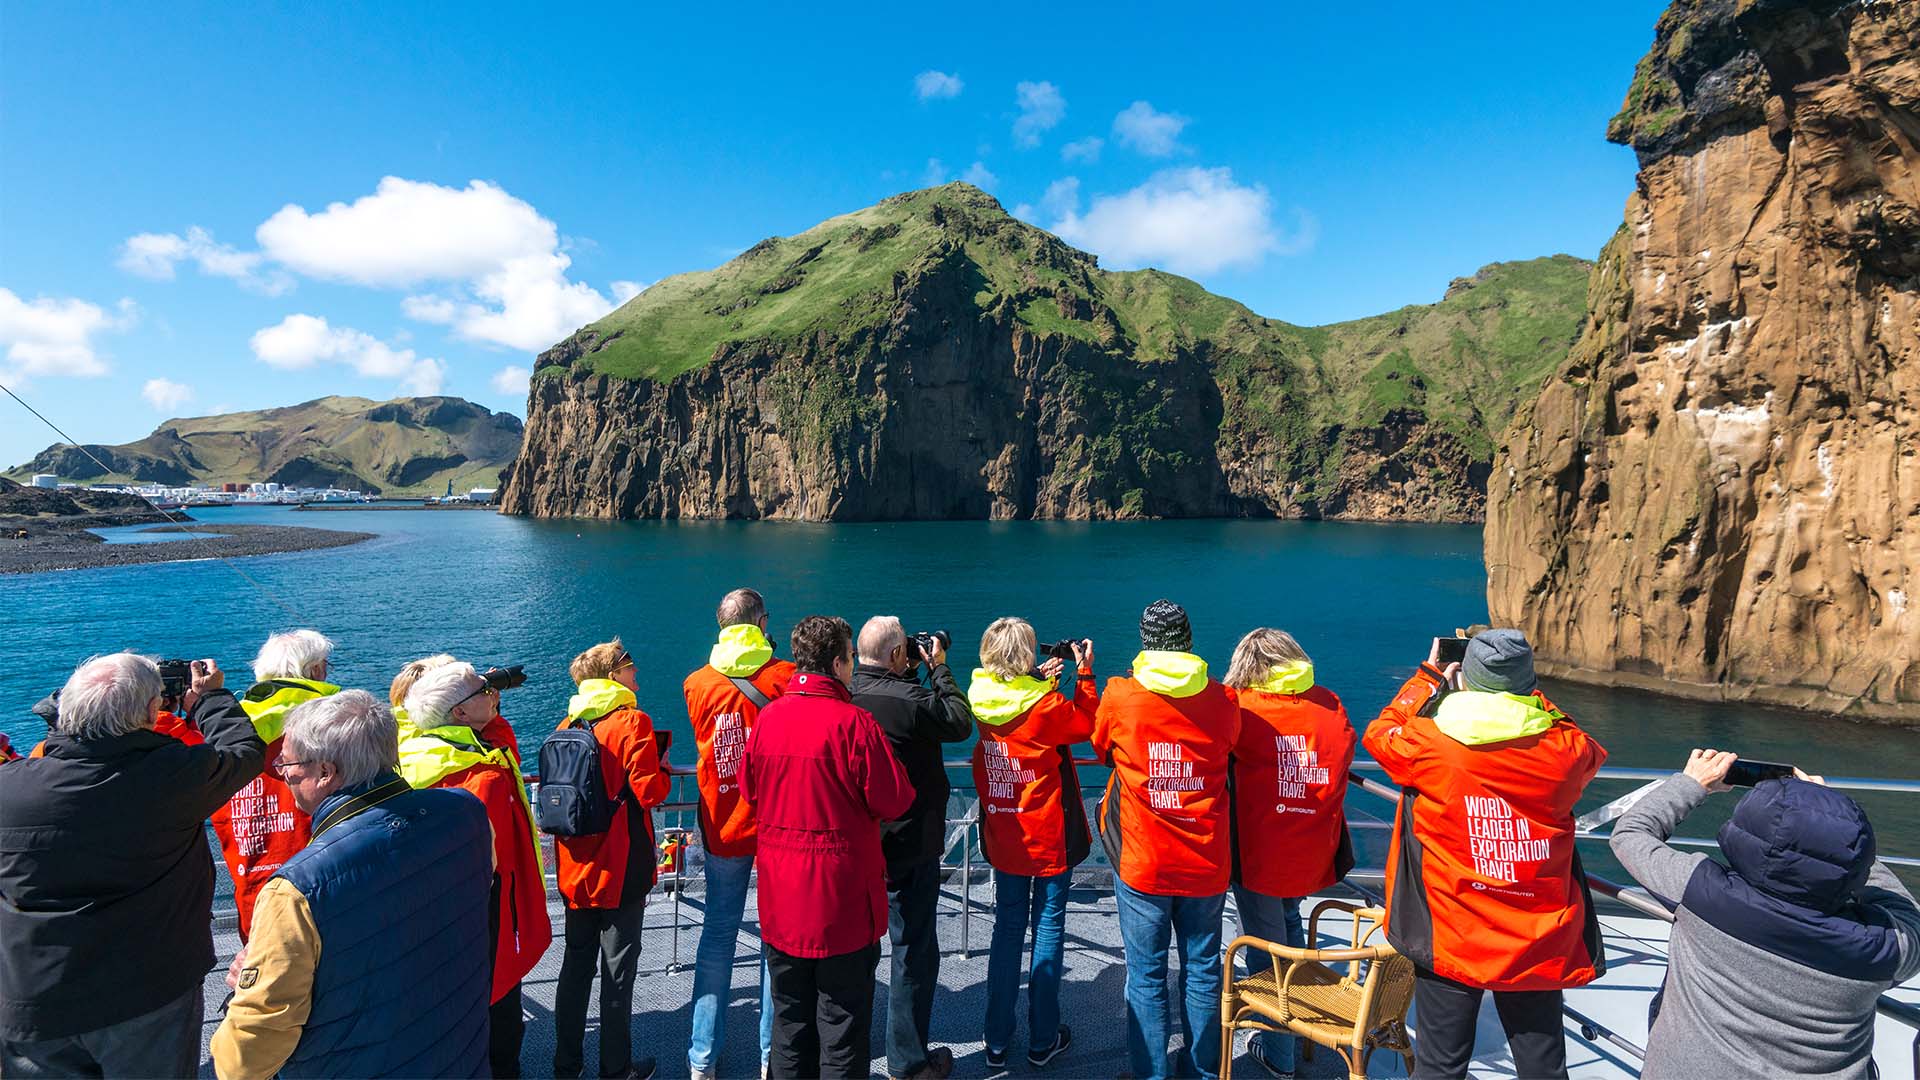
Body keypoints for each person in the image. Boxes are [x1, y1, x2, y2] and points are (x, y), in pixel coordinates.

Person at [0, 653, 265, 1077]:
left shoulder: (10, 787)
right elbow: (244, 751)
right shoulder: (172, 778)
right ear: (149, 712)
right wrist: (208, 699)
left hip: (32, 995)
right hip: (147, 991)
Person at [211, 690, 494, 1078]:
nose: (282, 771)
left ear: (326, 772)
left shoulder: (296, 889)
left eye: (288, 762)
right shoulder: (467, 813)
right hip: (458, 1055)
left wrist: (243, 991)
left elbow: (250, 1055)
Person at [1363, 629, 1605, 1080]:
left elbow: (1380, 733)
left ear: (1467, 678)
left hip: (1453, 929)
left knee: (1441, 1064)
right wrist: (1531, 698)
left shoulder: (1430, 743)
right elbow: (1582, 740)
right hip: (1536, 936)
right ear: (1528, 687)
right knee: (1542, 1066)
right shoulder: (1564, 752)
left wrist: (1430, 675)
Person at [1611, 749, 1920, 1079]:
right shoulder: (1882, 949)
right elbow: (1906, 913)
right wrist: (1844, 842)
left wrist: (1693, 784)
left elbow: (1631, 834)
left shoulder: (1702, 892)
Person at [742, 615, 915, 1080]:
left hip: (781, 900)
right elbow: (896, 798)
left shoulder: (768, 719)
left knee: (789, 1023)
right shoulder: (854, 725)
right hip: (841, 904)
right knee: (841, 1031)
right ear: (838, 662)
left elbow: (749, 790)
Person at [1093, 600, 1241, 1080]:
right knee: (1202, 972)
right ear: (1188, 641)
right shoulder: (1223, 701)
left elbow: (1100, 748)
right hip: (1205, 862)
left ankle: (1150, 1074)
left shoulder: (1120, 696)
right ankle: (1201, 1072)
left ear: (1146, 643)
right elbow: (1233, 744)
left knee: (1147, 975)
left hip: (1144, 861)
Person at [401, 662, 553, 1078]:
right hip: (485, 907)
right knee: (498, 1005)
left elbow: (496, 735)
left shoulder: (417, 752)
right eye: (481, 693)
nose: (491, 694)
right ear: (460, 715)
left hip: (435, 911)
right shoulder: (483, 776)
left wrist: (482, 689)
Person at [1222, 628, 1356, 1079]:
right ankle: (1300, 1029)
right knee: (1292, 927)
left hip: (1260, 855)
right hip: (1311, 851)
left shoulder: (1243, 708)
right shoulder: (1330, 704)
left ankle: (1278, 1056)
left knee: (1264, 956)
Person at [967, 619, 1096, 1070]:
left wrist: (1036, 680)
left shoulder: (980, 699)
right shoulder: (1046, 706)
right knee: (1047, 929)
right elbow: (1086, 725)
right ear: (1023, 658)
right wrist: (1084, 675)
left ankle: (996, 1039)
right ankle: (1043, 1039)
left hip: (1004, 833)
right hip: (1046, 836)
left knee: (1006, 933)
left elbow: (1011, 703)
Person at [849, 615, 974, 1080]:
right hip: (911, 844)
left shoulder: (845, 696)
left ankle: (847, 1057)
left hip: (858, 845)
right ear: (899, 656)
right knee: (913, 951)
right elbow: (960, 721)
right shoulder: (915, 700)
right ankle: (906, 1061)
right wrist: (938, 667)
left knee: (857, 953)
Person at [683, 587, 793, 1080]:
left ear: (720, 625)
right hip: (775, 825)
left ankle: (701, 1059)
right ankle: (772, 1056)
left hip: (721, 822)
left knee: (718, 936)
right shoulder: (784, 677)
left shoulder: (697, 684)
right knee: (776, 942)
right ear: (762, 623)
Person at [552, 640, 670, 1080]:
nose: (636, 673)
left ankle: (566, 1065)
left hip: (574, 865)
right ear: (613, 675)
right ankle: (616, 1069)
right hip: (620, 865)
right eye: (630, 666)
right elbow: (652, 792)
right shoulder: (632, 722)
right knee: (617, 973)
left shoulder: (569, 721)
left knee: (575, 966)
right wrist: (659, 763)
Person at [213, 629, 336, 939]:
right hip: (325, 893)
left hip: (253, 897)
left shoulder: (227, 732)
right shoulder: (332, 728)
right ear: (315, 671)